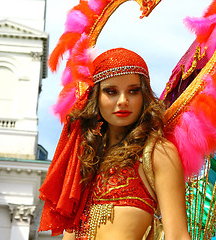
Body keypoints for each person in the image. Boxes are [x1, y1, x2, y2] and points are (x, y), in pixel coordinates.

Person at [39, 48, 190, 240]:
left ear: (144, 96)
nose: (123, 101)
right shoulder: (85, 159)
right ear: (96, 97)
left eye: (133, 91)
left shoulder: (157, 153)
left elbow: (177, 236)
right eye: (111, 91)